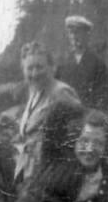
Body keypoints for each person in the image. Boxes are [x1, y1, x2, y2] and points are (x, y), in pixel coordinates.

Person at [12, 40, 80, 187]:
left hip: (53, 175)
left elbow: (80, 129)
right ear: (23, 70)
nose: (34, 73)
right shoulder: (35, 91)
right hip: (32, 172)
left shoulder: (60, 92)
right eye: (29, 68)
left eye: (39, 67)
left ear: (52, 68)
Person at [56, 15, 108, 111]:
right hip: (65, 114)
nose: (73, 37)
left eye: (77, 33)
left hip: (88, 115)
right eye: (70, 33)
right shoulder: (62, 62)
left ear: (86, 34)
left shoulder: (97, 63)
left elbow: (104, 96)